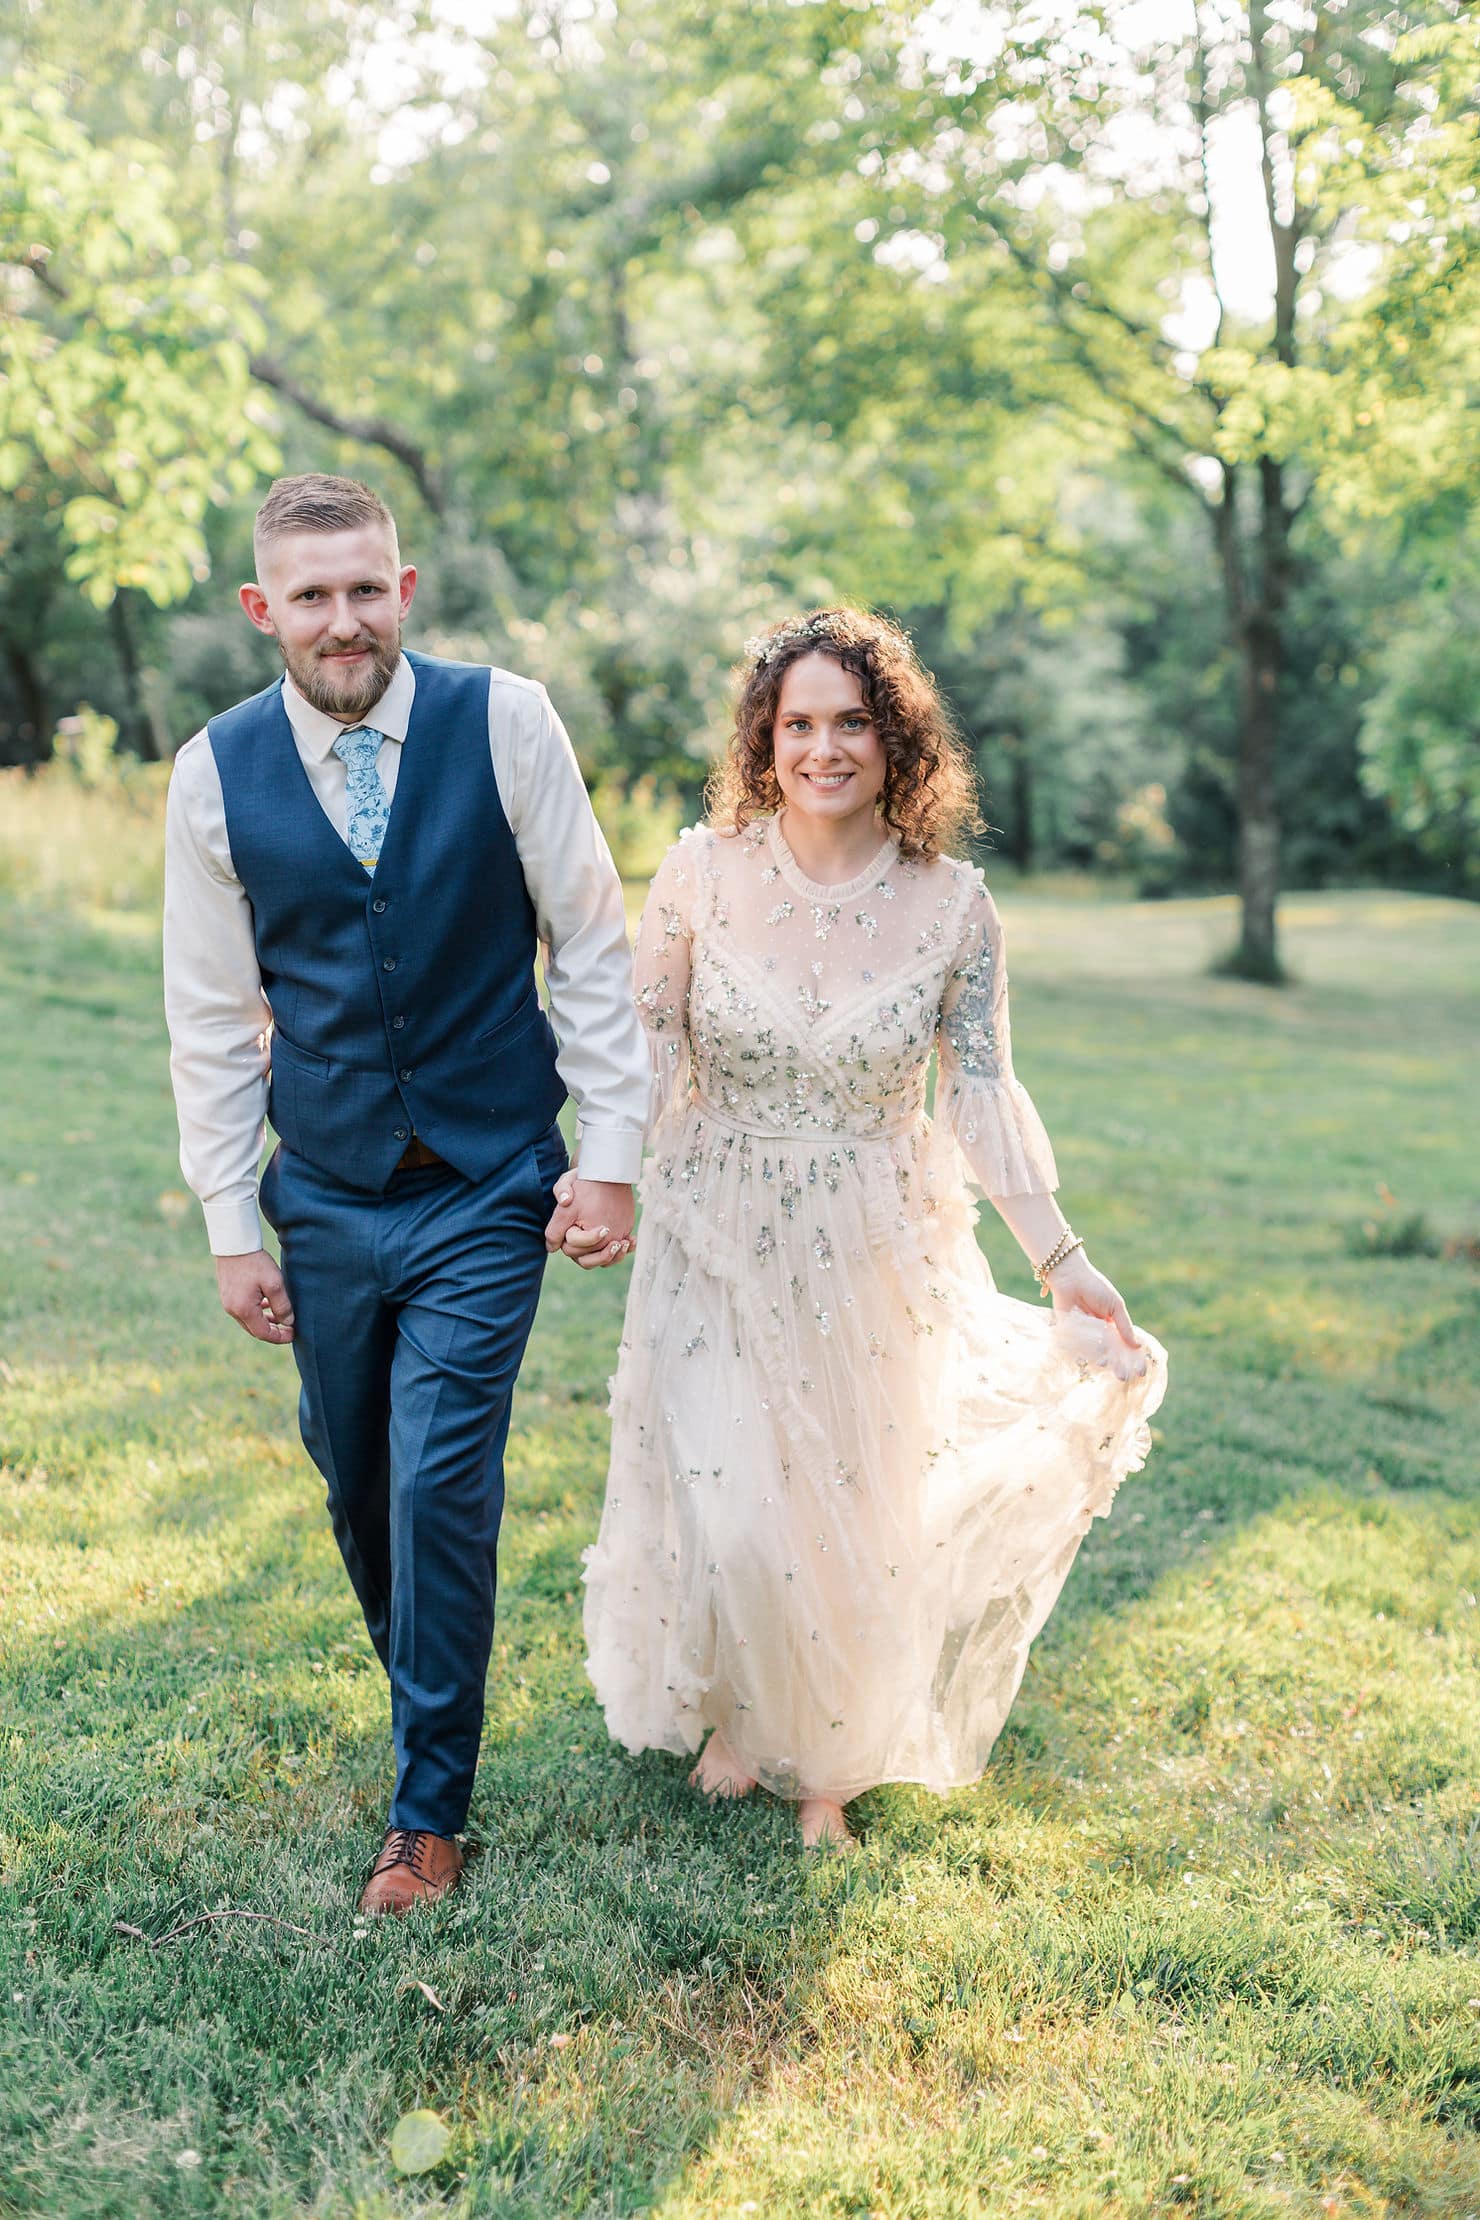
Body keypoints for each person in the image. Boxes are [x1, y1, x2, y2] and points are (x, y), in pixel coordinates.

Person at [582, 607, 1168, 1850]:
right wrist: (603, 1176)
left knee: (848, 1513)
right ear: (764, 740)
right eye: (797, 724)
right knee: (730, 1499)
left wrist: (1062, 1264)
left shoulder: (956, 909)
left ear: (896, 743)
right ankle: (740, 1710)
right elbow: (643, 1043)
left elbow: (980, 1092)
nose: (823, 748)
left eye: (851, 722)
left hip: (875, 1239)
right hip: (715, 1221)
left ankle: (826, 1771)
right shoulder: (699, 872)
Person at [163, 472, 645, 1913]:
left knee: (441, 1475)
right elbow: (207, 1015)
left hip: (491, 1176)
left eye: (366, 587)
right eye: (311, 594)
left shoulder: (508, 722)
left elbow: (594, 946)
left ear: (406, 589)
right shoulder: (214, 771)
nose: (344, 618)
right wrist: (230, 1225)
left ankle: (428, 1810)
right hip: (323, 1192)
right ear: (265, 610)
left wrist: (607, 1158)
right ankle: (428, 1690)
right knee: (357, 1481)